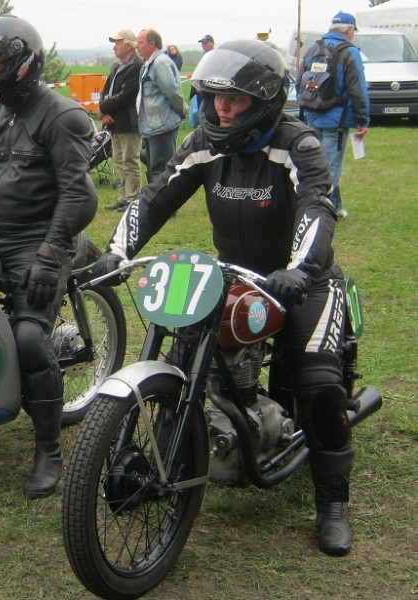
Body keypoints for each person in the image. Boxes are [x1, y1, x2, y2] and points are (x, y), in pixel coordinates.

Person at [94, 39, 356, 557]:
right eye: (215, 98)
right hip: (234, 276)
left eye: (234, 100)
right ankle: (175, 453)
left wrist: (298, 270)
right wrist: (116, 252)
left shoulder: (296, 145)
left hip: (301, 280)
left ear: (263, 101)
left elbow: (316, 207)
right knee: (184, 357)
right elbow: (157, 195)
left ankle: (332, 502)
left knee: (319, 381)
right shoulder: (204, 143)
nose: (221, 109)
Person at [0, 15, 98, 499]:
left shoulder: (62, 116)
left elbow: (80, 197)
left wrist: (52, 252)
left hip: (41, 241)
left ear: (21, 64)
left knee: (30, 339)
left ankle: (48, 449)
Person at [298, 11, 369, 219]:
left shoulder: (313, 48)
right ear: (348, 30)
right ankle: (317, 214)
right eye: (352, 31)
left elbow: (300, 80)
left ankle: (334, 208)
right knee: (329, 169)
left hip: (312, 114)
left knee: (316, 164)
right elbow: (358, 89)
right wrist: (363, 120)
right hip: (336, 119)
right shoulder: (350, 52)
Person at [98, 29, 142, 212]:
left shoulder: (137, 66)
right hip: (114, 123)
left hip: (129, 121)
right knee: (119, 160)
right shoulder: (116, 67)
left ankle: (133, 199)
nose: (114, 47)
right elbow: (106, 91)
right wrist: (102, 108)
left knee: (130, 160)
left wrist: (103, 108)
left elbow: (126, 96)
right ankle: (123, 198)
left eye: (117, 43)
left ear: (128, 44)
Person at [136, 29, 185, 184]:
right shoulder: (147, 65)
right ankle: (154, 204)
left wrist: (183, 110)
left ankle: (163, 206)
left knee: (162, 170)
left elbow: (173, 92)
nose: (137, 46)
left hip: (162, 126)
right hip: (151, 126)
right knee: (153, 169)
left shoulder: (160, 63)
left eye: (140, 42)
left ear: (152, 44)